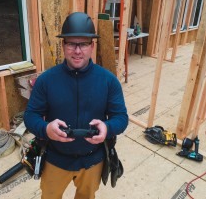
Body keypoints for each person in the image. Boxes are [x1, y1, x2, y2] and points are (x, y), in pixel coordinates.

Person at [24, 12, 128, 199]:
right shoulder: (46, 80)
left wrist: (107, 127)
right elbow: (31, 116)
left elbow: (121, 118)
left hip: (93, 161)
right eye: (72, 43)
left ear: (92, 46)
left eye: (84, 44)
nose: (77, 51)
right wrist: (46, 129)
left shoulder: (108, 81)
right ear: (63, 45)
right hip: (55, 160)